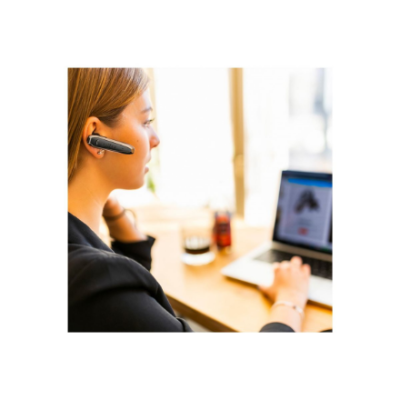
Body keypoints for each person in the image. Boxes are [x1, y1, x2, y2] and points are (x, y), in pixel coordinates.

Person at [68, 68, 316, 332]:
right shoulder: (95, 280)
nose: (155, 139)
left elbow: (129, 286)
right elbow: (115, 288)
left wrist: (108, 205)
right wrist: (290, 299)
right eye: (146, 122)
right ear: (96, 136)